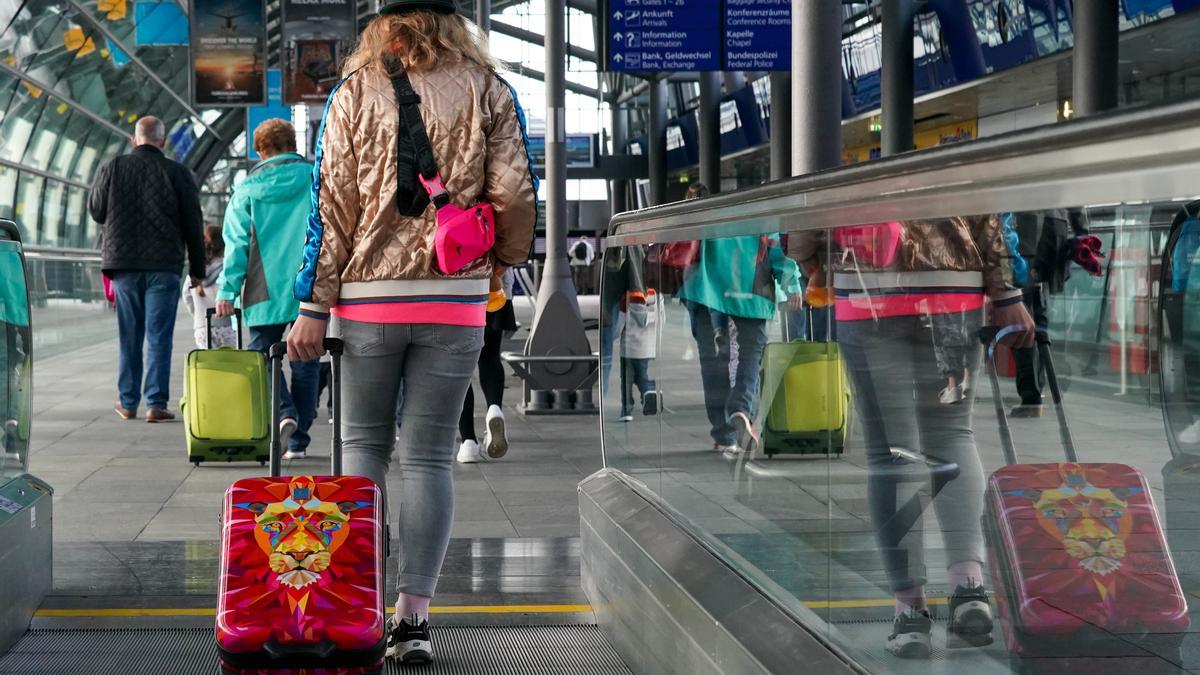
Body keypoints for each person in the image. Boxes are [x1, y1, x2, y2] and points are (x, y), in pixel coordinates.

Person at [285, 1, 536, 665]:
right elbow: (515, 193)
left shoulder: (353, 92)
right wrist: (500, 265)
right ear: (453, 24)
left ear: (382, 27)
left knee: (361, 448)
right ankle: (414, 619)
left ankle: (356, 605)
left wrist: (314, 305)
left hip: (367, 300)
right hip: (456, 297)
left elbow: (329, 206)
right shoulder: (489, 89)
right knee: (427, 456)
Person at [791, 216, 1035, 659]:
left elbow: (805, 216)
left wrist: (816, 262)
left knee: (891, 455)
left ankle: (911, 615)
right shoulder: (959, 145)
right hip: (954, 292)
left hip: (868, 291)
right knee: (955, 433)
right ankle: (968, 589)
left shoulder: (846, 145)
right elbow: (988, 210)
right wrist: (1006, 292)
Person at [214, 119, 319, 460]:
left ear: (259, 151)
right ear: (292, 144)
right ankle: (299, 440)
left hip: (263, 290)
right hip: (311, 286)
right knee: (306, 361)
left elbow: (237, 245)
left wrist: (227, 292)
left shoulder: (247, 190)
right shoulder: (315, 177)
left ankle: (284, 411)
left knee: (262, 359)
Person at [89, 116, 205, 423]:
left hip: (124, 266)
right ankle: (155, 403)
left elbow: (96, 210)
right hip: (164, 266)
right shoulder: (179, 173)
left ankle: (128, 403)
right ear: (162, 141)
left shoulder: (112, 168)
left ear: (133, 139)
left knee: (129, 334)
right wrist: (198, 269)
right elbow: (193, 223)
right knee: (159, 335)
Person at [456, 267, 517, 463]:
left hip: (455, 293)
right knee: (490, 356)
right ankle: (494, 409)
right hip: (494, 289)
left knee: (459, 366)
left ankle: (468, 443)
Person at [183, 226, 237, 350]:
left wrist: (197, 314)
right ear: (223, 246)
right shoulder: (227, 270)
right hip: (225, 326)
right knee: (228, 364)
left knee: (207, 366)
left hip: (201, 327)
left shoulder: (195, 271)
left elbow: (186, 296)